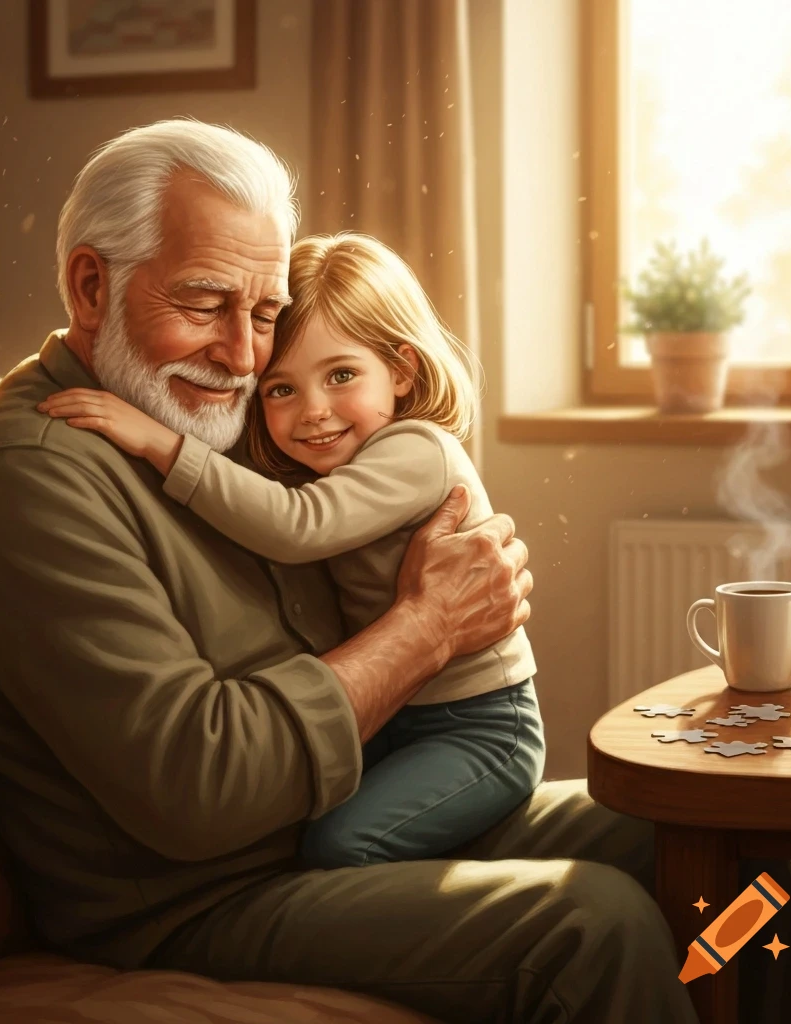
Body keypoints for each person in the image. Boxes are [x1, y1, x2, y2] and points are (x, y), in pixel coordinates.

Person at [0, 119, 791, 1024]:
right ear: (90, 284)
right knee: (592, 926)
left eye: (264, 313)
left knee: (718, 839)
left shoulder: (208, 421)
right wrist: (429, 627)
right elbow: (196, 789)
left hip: (343, 806)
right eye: (202, 304)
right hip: (204, 894)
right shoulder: (31, 478)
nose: (243, 357)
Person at [37, 230, 546, 871]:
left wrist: (159, 442)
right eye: (281, 389)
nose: (313, 412)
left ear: (402, 370)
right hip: (400, 717)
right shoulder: (328, 464)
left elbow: (296, 525)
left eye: (341, 375)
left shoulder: (417, 451)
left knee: (343, 843)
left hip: (480, 725)